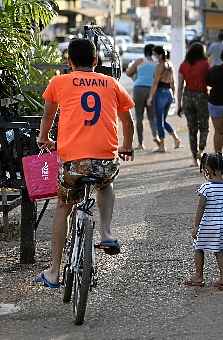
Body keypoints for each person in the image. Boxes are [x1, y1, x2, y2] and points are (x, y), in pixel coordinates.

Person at [35, 38, 135, 288]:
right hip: (104, 158)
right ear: (95, 61)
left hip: (74, 161)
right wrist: (127, 146)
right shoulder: (111, 82)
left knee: (63, 206)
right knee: (105, 183)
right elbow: (127, 121)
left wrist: (44, 138)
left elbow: (48, 114)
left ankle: (54, 271)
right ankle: (106, 233)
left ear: (69, 62)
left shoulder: (59, 82)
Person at [185, 153, 223, 290]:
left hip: (208, 224)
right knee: (219, 250)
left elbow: (201, 207)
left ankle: (199, 276)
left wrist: (196, 226)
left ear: (207, 169)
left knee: (199, 248)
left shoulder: (206, 187)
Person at [177, 42, 210, 166]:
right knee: (204, 126)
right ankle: (201, 150)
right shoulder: (205, 64)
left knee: (192, 129)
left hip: (187, 97)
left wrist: (179, 104)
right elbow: (210, 81)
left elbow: (180, 86)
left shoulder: (183, 65)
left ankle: (194, 158)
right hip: (201, 96)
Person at [148, 46, 182, 152]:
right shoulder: (170, 65)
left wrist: (150, 97)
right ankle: (176, 139)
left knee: (159, 120)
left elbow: (155, 83)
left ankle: (162, 146)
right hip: (169, 93)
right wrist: (174, 95)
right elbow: (173, 82)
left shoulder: (160, 66)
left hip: (160, 93)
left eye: (155, 54)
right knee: (163, 120)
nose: (154, 56)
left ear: (160, 55)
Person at [126, 43, 159, 150]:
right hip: (151, 90)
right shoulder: (157, 63)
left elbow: (129, 72)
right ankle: (156, 138)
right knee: (151, 117)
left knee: (139, 117)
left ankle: (141, 143)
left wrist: (136, 77)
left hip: (138, 88)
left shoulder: (140, 61)